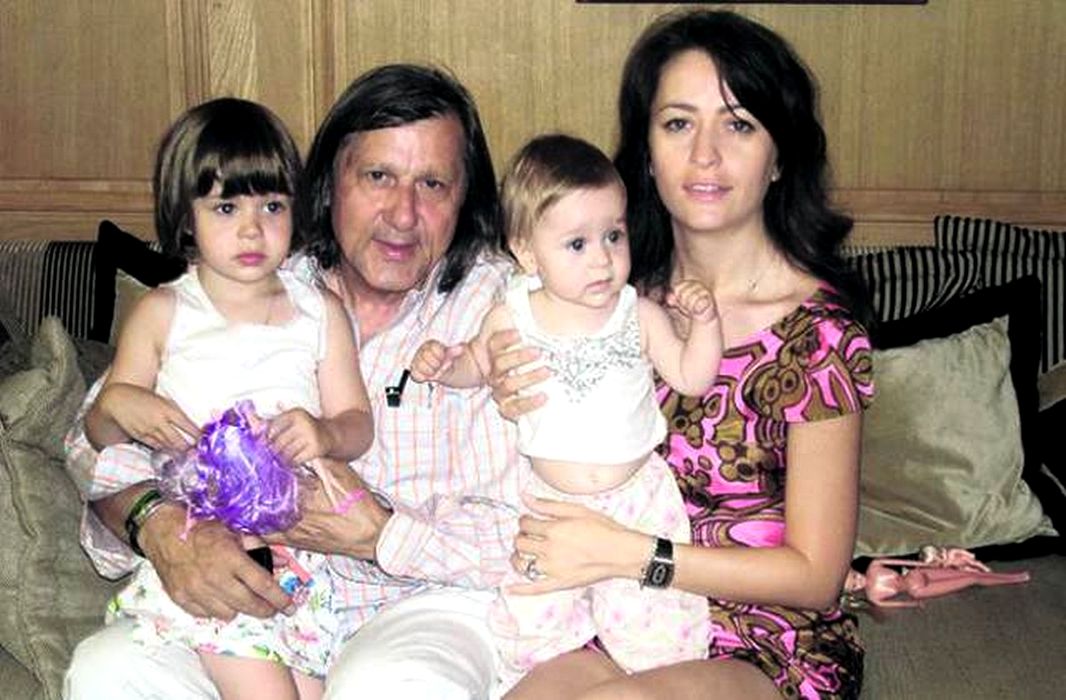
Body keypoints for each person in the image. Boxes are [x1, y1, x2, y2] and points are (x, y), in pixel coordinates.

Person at [64, 65, 526, 700]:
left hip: (426, 600)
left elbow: (542, 532)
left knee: (385, 686)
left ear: (466, 199)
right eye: (378, 176)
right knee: (110, 669)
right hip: (255, 579)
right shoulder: (257, 276)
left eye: (433, 183)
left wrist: (384, 536)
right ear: (329, 183)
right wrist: (156, 522)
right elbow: (90, 438)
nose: (403, 213)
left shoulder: (510, 314)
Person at [488, 10, 875, 700]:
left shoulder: (819, 336)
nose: (705, 155)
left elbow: (817, 577)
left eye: (739, 125)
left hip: (766, 640)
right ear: (645, 152)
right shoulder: (603, 302)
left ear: (780, 156)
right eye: (677, 123)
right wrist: (499, 387)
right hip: (614, 613)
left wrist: (633, 555)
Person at [79, 97, 374, 699]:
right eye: (225, 207)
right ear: (186, 218)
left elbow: (358, 424)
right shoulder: (163, 311)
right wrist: (118, 405)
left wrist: (323, 432)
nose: (252, 228)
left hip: (302, 555)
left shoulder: (319, 311)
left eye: (272, 206)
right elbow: (101, 440)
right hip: (211, 545)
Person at [410, 133, 721, 688]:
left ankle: (656, 675)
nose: (602, 258)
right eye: (577, 244)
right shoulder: (511, 315)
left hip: (637, 501)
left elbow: (692, 376)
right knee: (535, 618)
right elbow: (478, 364)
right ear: (528, 253)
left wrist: (705, 324)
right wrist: (446, 364)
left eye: (613, 235)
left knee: (655, 628)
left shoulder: (639, 314)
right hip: (549, 502)